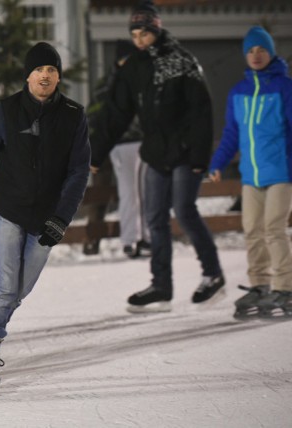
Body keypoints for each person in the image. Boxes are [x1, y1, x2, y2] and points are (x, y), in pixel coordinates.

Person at [0, 42, 91, 397]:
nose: (45, 75)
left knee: (19, 290)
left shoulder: (73, 115)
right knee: (4, 287)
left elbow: (78, 172)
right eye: (39, 69)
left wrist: (61, 218)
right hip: (10, 210)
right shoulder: (8, 111)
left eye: (52, 70)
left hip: (46, 219)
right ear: (28, 75)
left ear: (58, 76)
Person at [90, 0, 225, 313]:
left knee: (184, 210)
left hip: (185, 151)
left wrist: (199, 156)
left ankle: (213, 274)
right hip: (155, 153)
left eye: (144, 33)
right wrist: (96, 151)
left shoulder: (182, 61)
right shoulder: (134, 67)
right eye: (134, 33)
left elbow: (201, 111)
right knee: (154, 218)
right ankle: (162, 286)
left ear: (156, 29)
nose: (138, 38)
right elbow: (116, 114)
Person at [208, 26, 292, 320]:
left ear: (271, 53)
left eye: (262, 50)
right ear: (246, 55)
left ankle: (285, 287)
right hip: (251, 175)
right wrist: (218, 163)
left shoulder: (285, 87)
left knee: (274, 229)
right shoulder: (238, 92)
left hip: (281, 171)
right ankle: (260, 285)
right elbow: (232, 133)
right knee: (253, 230)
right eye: (251, 51)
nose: (256, 55)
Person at [86, 39, 151, 259]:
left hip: (144, 142)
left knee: (144, 191)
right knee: (128, 191)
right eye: (124, 59)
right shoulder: (109, 84)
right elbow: (96, 116)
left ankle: (145, 237)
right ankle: (130, 239)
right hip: (121, 144)